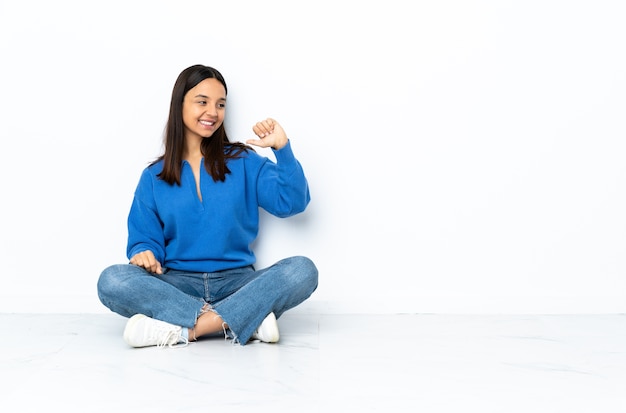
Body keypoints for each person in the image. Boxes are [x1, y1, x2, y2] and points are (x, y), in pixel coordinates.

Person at [97, 64, 318, 348]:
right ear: (180, 105)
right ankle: (245, 319)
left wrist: (282, 149)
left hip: (237, 283)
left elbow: (292, 202)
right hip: (178, 285)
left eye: (220, 104)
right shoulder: (154, 176)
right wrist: (143, 253)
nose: (212, 112)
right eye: (202, 102)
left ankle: (183, 330)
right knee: (112, 280)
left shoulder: (244, 161)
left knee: (302, 270)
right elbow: (143, 240)